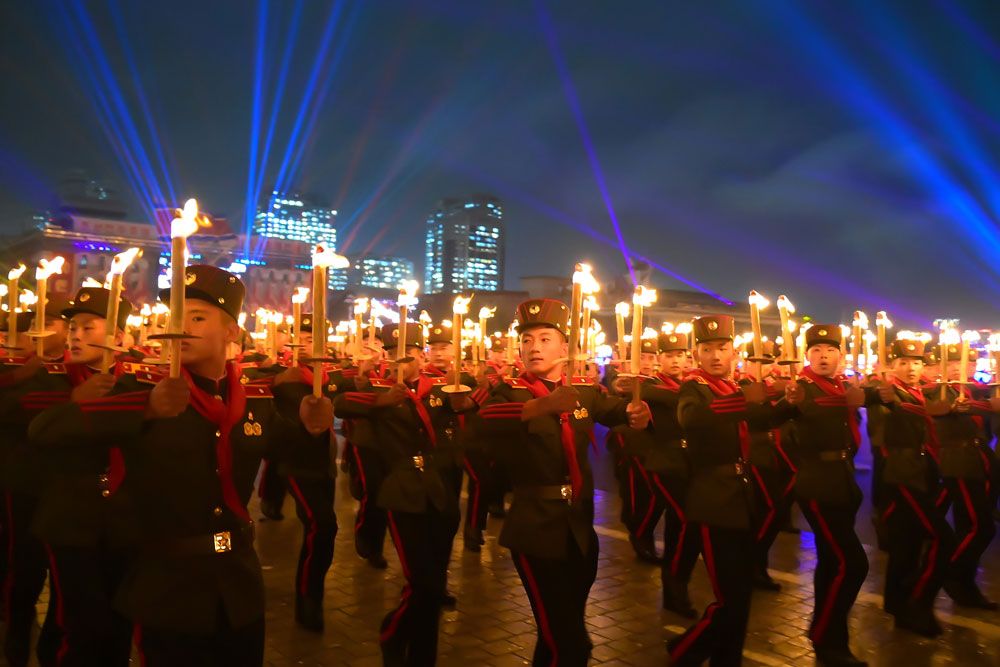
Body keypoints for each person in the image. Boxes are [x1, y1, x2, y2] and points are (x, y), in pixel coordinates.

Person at [27, 265, 333, 665]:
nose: (183, 327)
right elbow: (45, 430)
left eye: (198, 317)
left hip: (238, 585)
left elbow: (294, 459)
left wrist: (313, 430)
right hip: (167, 587)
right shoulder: (140, 389)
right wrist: (145, 408)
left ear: (231, 333)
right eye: (177, 316)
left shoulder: (253, 403)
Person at [478, 298, 650, 667]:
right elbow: (487, 417)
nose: (534, 346)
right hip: (535, 527)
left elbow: (618, 411)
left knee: (556, 633)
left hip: (577, 526)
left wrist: (636, 412)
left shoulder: (584, 390)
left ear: (566, 347)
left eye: (544, 338)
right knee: (570, 642)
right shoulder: (512, 391)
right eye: (526, 339)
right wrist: (542, 406)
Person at [334, 323, 474, 666]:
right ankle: (392, 632)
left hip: (439, 492)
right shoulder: (380, 389)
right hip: (402, 493)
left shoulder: (439, 388)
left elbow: (468, 407)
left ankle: (423, 655)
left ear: (420, 356)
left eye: (408, 354)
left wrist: (468, 399)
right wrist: (381, 399)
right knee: (421, 581)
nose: (402, 361)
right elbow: (341, 403)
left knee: (434, 580)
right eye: (395, 355)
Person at [667, 314, 786, 667]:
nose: (716, 356)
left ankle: (719, 657)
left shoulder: (733, 387)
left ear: (735, 351)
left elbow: (761, 419)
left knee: (740, 594)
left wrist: (788, 403)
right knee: (729, 596)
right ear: (696, 354)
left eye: (722, 348)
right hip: (713, 499)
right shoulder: (694, 388)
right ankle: (687, 652)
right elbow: (692, 419)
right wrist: (743, 401)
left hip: (741, 495)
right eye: (707, 349)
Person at [784, 324, 876, 667]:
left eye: (831, 350)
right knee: (853, 563)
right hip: (818, 482)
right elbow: (806, 405)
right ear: (806, 355)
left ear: (841, 355)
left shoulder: (841, 385)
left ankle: (830, 641)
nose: (823, 356)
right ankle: (824, 635)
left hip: (842, 479)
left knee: (830, 561)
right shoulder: (801, 388)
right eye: (816, 350)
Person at [868, 337, 955, 637]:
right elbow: (879, 410)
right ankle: (918, 599)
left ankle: (898, 605)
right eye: (903, 362)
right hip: (902, 476)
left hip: (921, 473)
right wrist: (888, 399)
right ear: (891, 366)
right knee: (944, 538)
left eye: (916, 362)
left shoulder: (917, 394)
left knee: (908, 544)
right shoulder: (887, 394)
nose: (910, 368)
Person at [0, 300, 68, 667]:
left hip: (65, 487)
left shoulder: (82, 371)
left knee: (63, 578)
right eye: (59, 321)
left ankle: (50, 646)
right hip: (24, 480)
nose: (60, 329)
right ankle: (16, 636)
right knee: (23, 567)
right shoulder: (16, 368)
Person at [926, 341, 999, 609]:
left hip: (979, 460)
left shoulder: (972, 389)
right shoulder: (936, 389)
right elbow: (934, 408)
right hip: (959, 463)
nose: (960, 368)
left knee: (968, 526)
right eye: (954, 363)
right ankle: (952, 572)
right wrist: (955, 406)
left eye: (966, 362)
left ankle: (965, 585)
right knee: (982, 527)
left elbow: (988, 404)